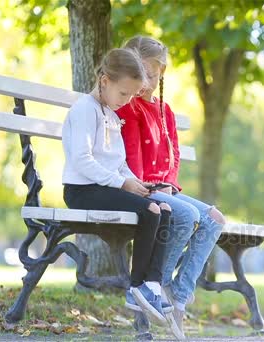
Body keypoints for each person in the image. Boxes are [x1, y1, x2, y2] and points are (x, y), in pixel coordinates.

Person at [117, 36, 225, 339]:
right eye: (144, 73)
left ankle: (177, 293)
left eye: (155, 75)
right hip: (140, 188)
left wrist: (169, 185)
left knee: (215, 219)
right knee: (188, 215)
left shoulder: (164, 111)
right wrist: (152, 187)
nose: (149, 81)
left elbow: (174, 155)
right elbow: (132, 156)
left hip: (166, 189)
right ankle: (154, 285)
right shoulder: (129, 107)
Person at [61, 47, 175, 328]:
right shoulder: (85, 110)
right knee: (150, 210)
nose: (126, 101)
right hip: (82, 190)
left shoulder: (111, 113)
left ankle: (153, 285)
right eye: (123, 93)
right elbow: (82, 160)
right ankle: (136, 288)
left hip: (106, 187)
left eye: (131, 95)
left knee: (164, 208)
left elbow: (119, 162)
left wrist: (134, 181)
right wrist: (122, 182)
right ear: (104, 81)